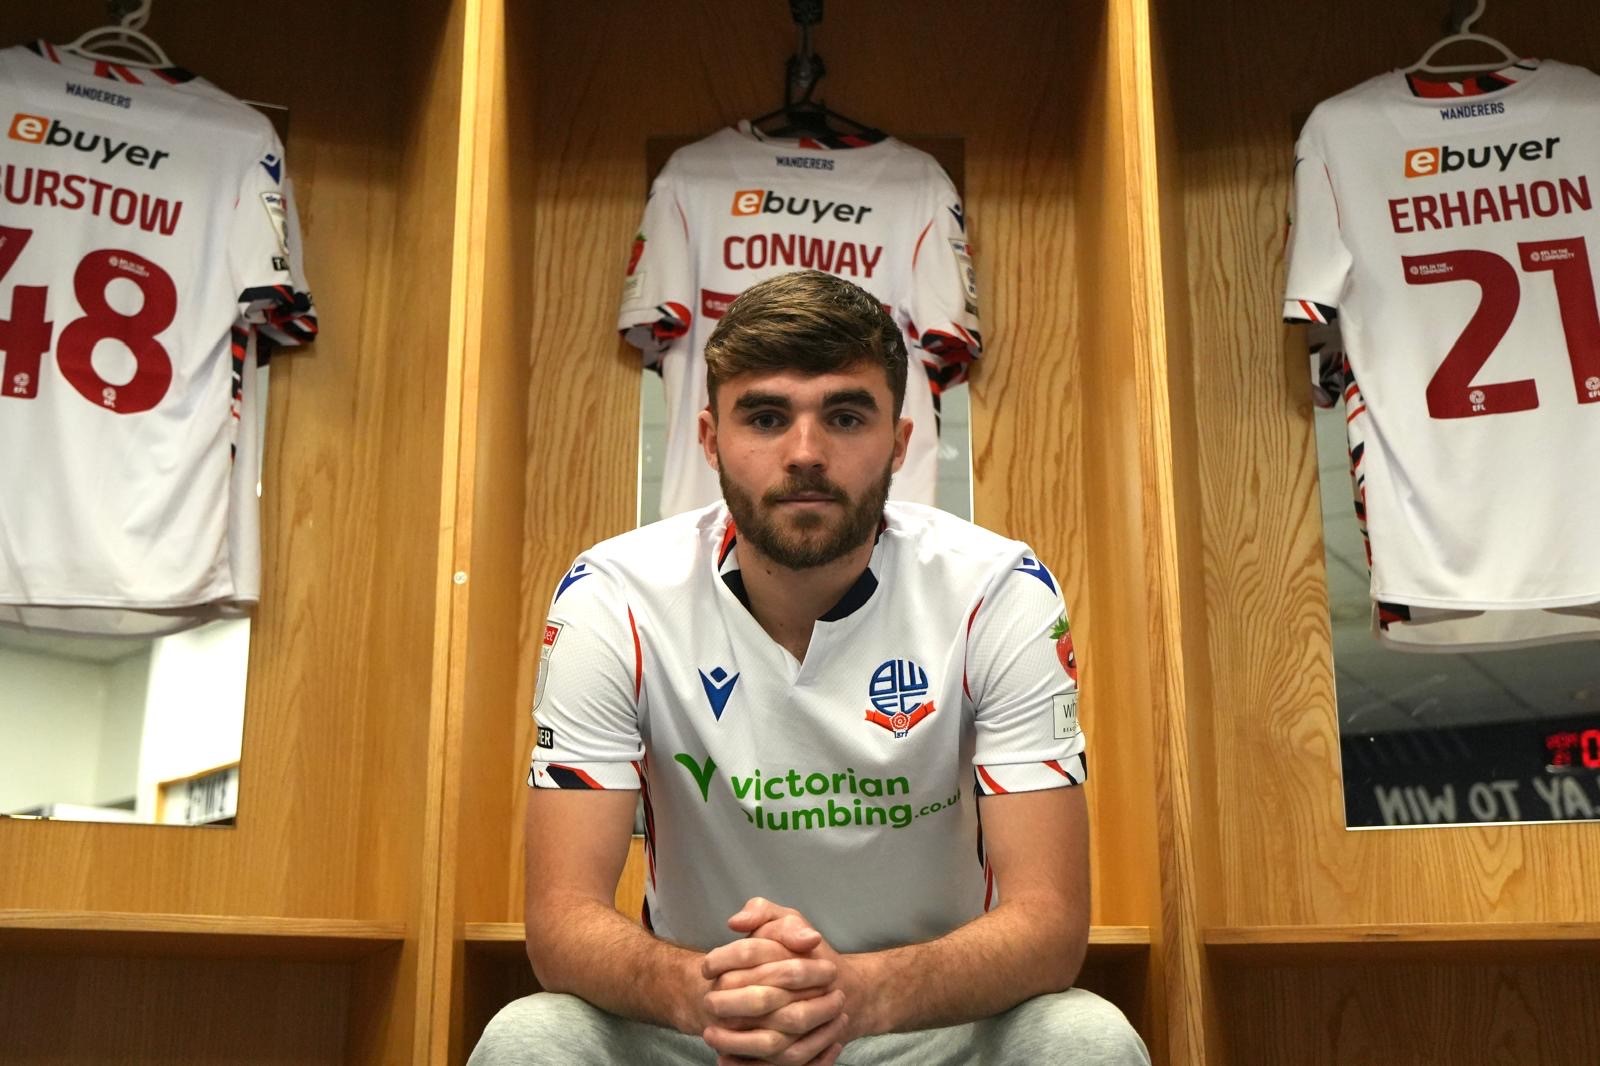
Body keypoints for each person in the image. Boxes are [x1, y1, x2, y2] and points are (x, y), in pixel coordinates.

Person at [470, 270, 1149, 1066]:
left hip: (921, 1021)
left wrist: (857, 994)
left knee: (1086, 1038)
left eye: (845, 415)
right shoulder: (612, 594)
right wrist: (708, 992)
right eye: (764, 416)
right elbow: (561, 924)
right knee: (529, 1038)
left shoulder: (996, 589)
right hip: (703, 1022)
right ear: (710, 438)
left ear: (898, 441)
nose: (805, 453)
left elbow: (1049, 925)